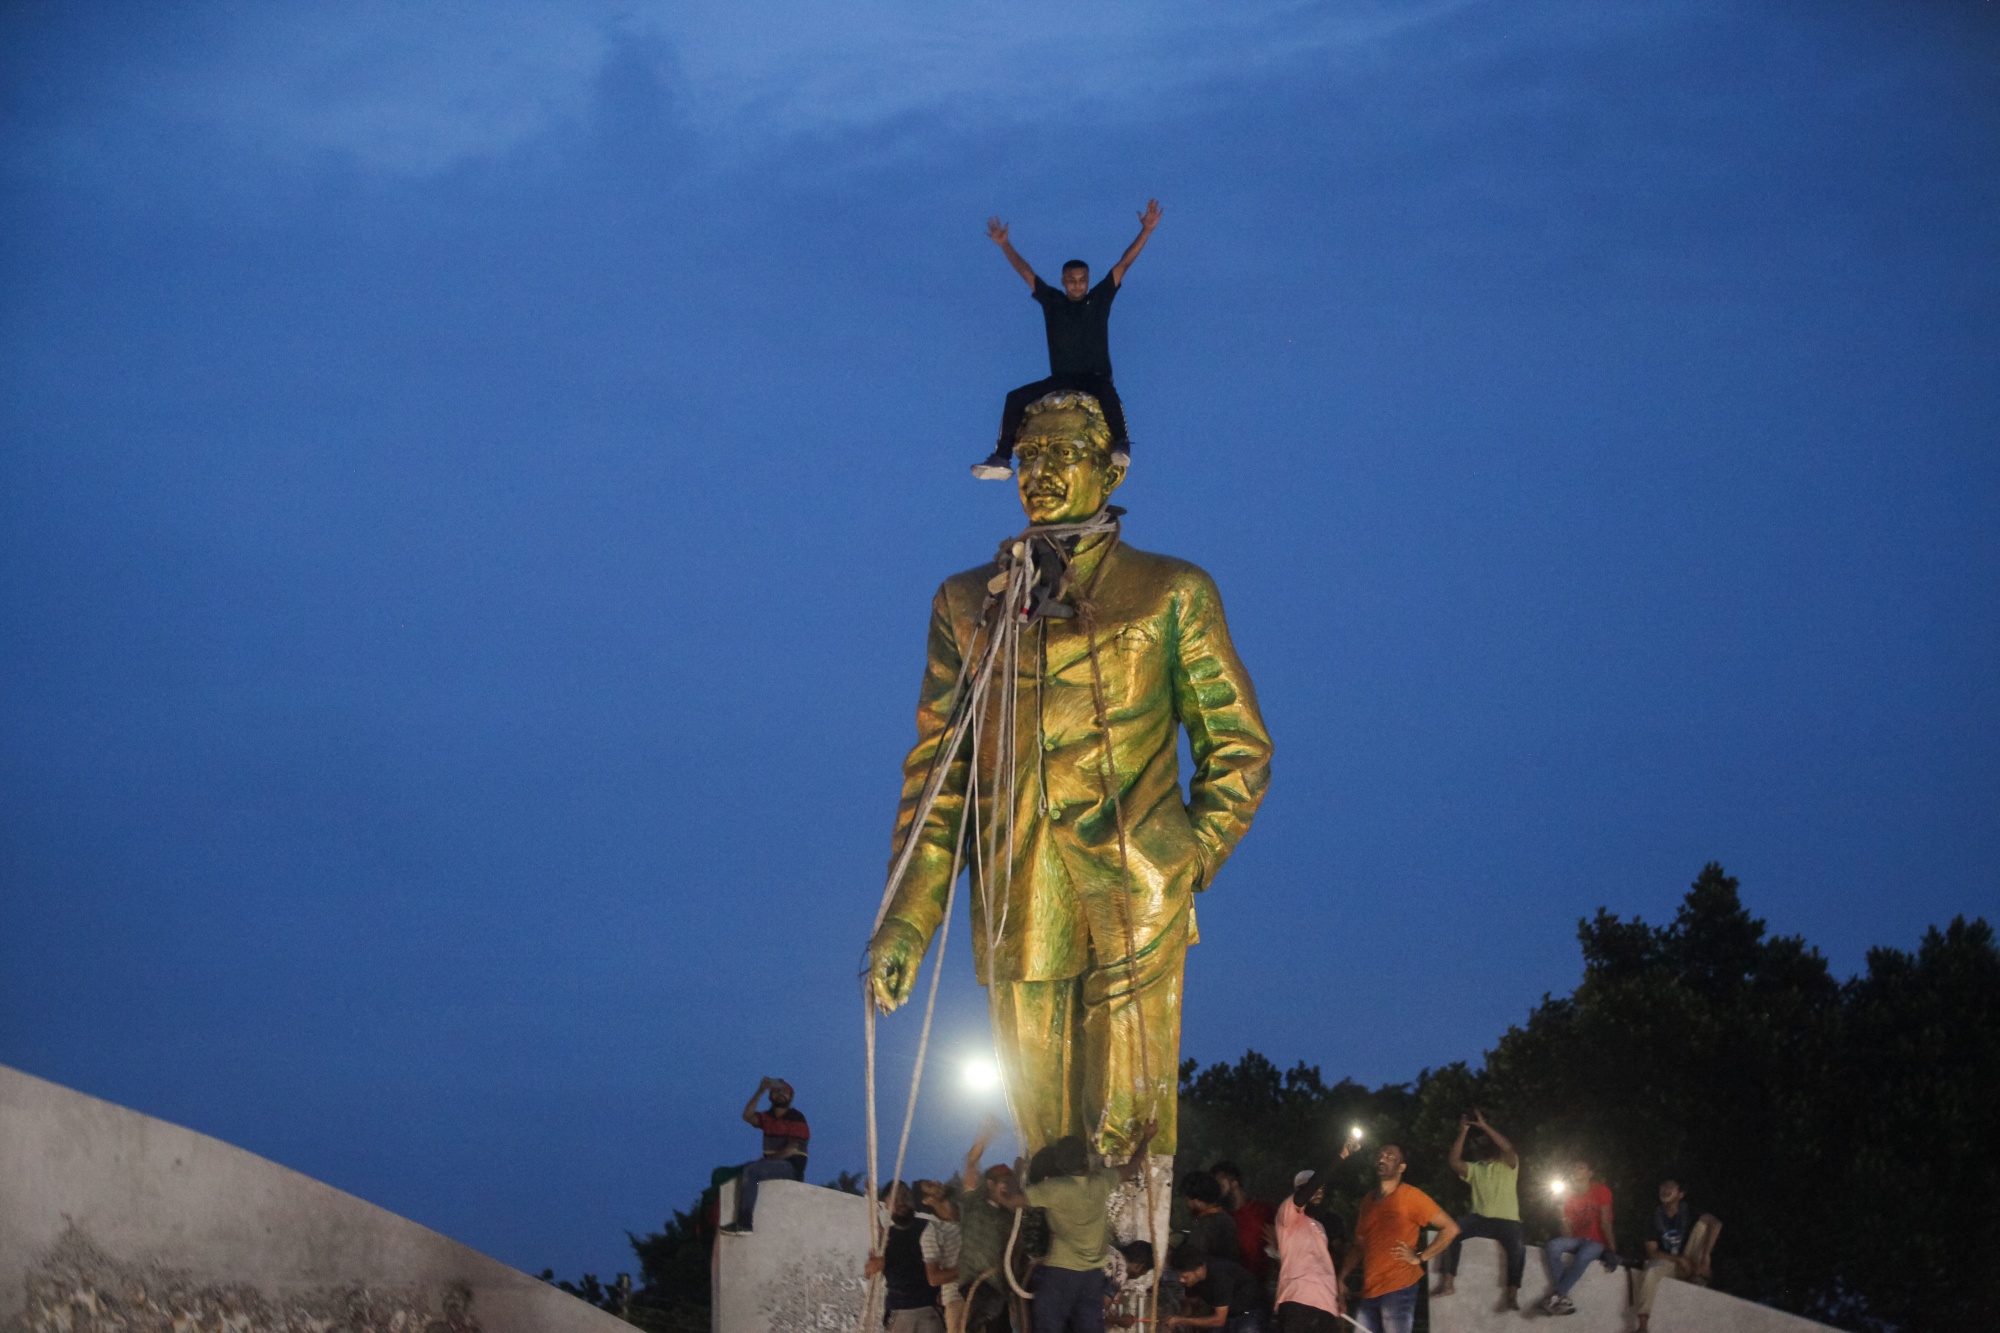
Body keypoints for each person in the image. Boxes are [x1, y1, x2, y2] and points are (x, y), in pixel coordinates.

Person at [866, 395, 1272, 1199]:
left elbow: (1239, 746)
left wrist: (1185, 858)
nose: (1040, 474)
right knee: (1044, 1130)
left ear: (1110, 468)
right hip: (1019, 889)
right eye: (1027, 458)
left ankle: (1129, 1277)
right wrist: (908, 917)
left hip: (1138, 882)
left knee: (1130, 1122)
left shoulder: (1171, 590)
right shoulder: (966, 602)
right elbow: (940, 771)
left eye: (1062, 455)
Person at [972, 202, 1161, 479]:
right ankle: (1002, 456)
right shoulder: (1053, 302)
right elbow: (1026, 272)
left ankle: (1121, 444)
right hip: (1062, 378)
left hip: (1094, 377)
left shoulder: (1098, 299)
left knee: (1107, 393)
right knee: (1014, 397)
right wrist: (1004, 245)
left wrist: (1146, 231)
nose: (1076, 284)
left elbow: (1124, 263)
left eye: (1082, 280)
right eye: (1071, 280)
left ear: (1087, 282)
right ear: (1063, 281)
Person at [1014, 1121, 1158, 1333]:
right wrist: (1146, 1138)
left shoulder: (1046, 1194)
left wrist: (1014, 1179)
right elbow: (1132, 1166)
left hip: (1048, 1278)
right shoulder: (1096, 1184)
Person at [1336, 1143, 1459, 1333]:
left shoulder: (1411, 1196)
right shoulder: (1368, 1201)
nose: (1383, 1158)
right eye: (1381, 1155)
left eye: (1390, 1156)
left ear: (1402, 1168)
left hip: (1398, 1287)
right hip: (1370, 1289)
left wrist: (1420, 1257)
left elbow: (1450, 1228)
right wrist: (1342, 1276)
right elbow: (1359, 1245)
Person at [1432, 1109, 1524, 1310]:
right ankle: (1448, 1284)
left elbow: (1507, 1147)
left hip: (1508, 1221)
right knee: (1451, 1230)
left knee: (1518, 1247)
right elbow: (1454, 1162)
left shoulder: (1508, 1165)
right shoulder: (1476, 1169)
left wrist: (1484, 1126)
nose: (1483, 1147)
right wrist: (1463, 1132)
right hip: (1481, 1219)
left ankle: (1511, 1295)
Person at [957, 1122, 1028, 1333]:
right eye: (1001, 1182)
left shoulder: (1013, 1219)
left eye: (1009, 1182)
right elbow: (971, 1163)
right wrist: (985, 1136)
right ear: (989, 1184)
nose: (1006, 1186)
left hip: (1001, 1289)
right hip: (975, 1283)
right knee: (987, 1313)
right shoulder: (974, 1204)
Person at [866, 1181, 961, 1333]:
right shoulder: (885, 1238)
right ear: (887, 1206)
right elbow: (870, 1272)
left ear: (913, 1200)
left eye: (905, 1196)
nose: (902, 1202)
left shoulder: (930, 1228)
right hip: (898, 1312)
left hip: (930, 1310)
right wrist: (872, 1268)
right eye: (895, 1199)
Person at [721, 1076, 809, 1232]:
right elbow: (747, 1116)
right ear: (770, 1096)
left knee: (753, 1170)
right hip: (772, 1164)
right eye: (776, 1091)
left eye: (785, 1091)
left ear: (791, 1097)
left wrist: (765, 1160)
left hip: (791, 1168)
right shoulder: (767, 1118)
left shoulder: (797, 1118)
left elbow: (791, 1149)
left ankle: (744, 1224)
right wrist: (760, 1090)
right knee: (741, 1170)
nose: (781, 1094)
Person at [1631, 1179, 1721, 1330]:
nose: (1665, 1190)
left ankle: (1699, 1275)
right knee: (1651, 1270)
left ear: (1680, 1194)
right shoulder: (1654, 1216)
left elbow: (1716, 1224)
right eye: (1663, 1186)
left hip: (1691, 1262)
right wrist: (1678, 1259)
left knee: (1703, 1225)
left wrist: (1706, 1256)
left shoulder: (1689, 1211)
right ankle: (1642, 1325)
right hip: (1670, 1263)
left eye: (1670, 1187)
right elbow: (1652, 1252)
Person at [1538, 1157, 1617, 1316]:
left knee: (1584, 1255)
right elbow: (1566, 1232)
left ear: (1589, 1173)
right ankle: (1562, 1297)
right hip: (1577, 1240)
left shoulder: (1600, 1190)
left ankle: (1557, 1295)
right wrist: (1560, 1212)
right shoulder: (1567, 1195)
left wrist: (1612, 1250)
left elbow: (1605, 1222)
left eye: (1580, 1167)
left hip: (1596, 1242)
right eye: (1573, 1167)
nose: (1575, 1169)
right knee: (1553, 1246)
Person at [1272, 1170, 1343, 1333]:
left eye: (1321, 1189)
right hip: (1298, 1298)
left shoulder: (1319, 1226)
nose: (1318, 1192)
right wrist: (1341, 1156)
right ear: (1299, 1190)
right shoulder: (1288, 1215)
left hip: (1326, 1303)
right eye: (1313, 1188)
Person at [1167, 1245, 1267, 1333]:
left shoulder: (1220, 1276)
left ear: (1198, 1270)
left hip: (1249, 1313)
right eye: (1179, 1276)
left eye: (1185, 1276)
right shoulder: (1191, 1280)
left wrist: (1182, 1321)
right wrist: (1173, 1320)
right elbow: (1192, 1305)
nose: (1181, 1280)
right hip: (1227, 1315)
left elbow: (1219, 1320)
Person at [1210, 1162, 1277, 1286]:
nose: (1216, 1191)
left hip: (1257, 1290)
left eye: (1220, 1185)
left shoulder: (1264, 1212)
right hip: (1228, 1291)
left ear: (1234, 1184)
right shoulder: (1217, 1219)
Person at [917, 1178, 967, 1333]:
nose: (938, 1182)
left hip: (990, 1291)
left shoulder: (967, 1212)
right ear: (926, 1200)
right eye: (930, 1186)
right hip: (957, 1300)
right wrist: (969, 1268)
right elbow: (934, 1278)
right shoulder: (932, 1233)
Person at [1182, 1172, 1241, 1267]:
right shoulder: (1223, 1218)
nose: (1187, 1204)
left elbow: (1194, 1259)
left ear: (1198, 1199)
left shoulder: (1208, 1224)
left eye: (1189, 1199)